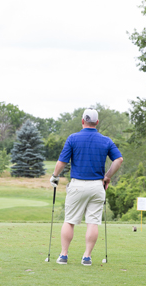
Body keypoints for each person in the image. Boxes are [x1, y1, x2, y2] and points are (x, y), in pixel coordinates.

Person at [49, 109, 123, 266]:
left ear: (82, 121)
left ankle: (63, 255)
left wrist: (55, 176)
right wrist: (108, 176)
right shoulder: (106, 140)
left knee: (69, 221)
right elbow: (119, 160)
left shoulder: (73, 138)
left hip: (77, 185)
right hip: (97, 186)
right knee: (92, 222)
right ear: (96, 123)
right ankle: (87, 257)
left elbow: (62, 161)